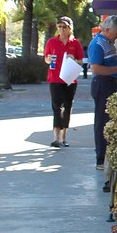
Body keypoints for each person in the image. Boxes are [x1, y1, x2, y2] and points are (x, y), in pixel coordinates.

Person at [87, 15, 117, 174]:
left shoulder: (108, 43)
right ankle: (100, 158)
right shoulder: (98, 44)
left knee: (109, 119)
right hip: (102, 84)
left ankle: (107, 155)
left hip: (110, 83)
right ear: (107, 30)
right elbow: (96, 68)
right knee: (102, 121)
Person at [44, 17, 85, 147]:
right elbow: (46, 59)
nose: (62, 29)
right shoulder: (52, 42)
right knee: (57, 107)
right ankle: (56, 138)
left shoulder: (75, 43)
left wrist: (74, 59)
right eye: (60, 27)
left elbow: (81, 61)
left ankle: (63, 137)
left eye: (64, 27)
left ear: (70, 29)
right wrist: (49, 59)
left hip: (69, 79)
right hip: (55, 78)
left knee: (67, 107)